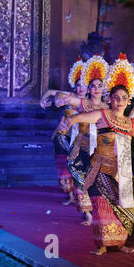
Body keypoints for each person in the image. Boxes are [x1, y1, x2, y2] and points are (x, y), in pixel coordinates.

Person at [58, 53, 134, 255]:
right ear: (111, 99)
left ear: (128, 101)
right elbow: (79, 117)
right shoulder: (102, 115)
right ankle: (102, 245)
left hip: (122, 173)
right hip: (100, 168)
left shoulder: (129, 123)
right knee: (101, 206)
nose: (119, 101)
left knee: (125, 208)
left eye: (123, 98)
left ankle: (121, 243)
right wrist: (67, 123)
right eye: (116, 98)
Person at [41, 54, 110, 225]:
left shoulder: (107, 106)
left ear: (103, 88)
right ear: (89, 88)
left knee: (98, 181)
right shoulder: (83, 103)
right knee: (80, 179)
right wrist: (55, 101)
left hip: (100, 148)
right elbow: (65, 98)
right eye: (92, 86)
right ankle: (86, 212)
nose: (96, 89)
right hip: (81, 146)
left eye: (99, 86)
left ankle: (98, 208)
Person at [46, 58, 87, 206]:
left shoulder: (90, 103)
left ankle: (81, 196)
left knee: (79, 166)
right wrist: (42, 101)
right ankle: (70, 195)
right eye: (78, 86)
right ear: (74, 87)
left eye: (84, 86)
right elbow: (51, 93)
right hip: (65, 136)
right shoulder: (69, 98)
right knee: (65, 166)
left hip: (82, 139)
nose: (81, 88)